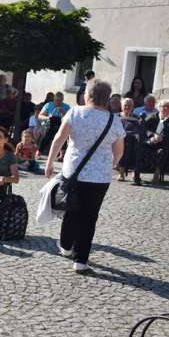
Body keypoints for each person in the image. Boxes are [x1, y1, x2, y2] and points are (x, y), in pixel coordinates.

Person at [45, 79, 126, 273]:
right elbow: (120, 151)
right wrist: (109, 166)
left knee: (70, 209)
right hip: (100, 177)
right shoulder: (114, 120)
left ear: (87, 96)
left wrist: (50, 162)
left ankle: (65, 248)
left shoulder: (75, 112)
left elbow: (59, 139)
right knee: (89, 217)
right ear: (107, 100)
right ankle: (80, 261)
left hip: (73, 172)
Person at [133, 99, 169, 185]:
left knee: (162, 152)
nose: (165, 108)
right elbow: (144, 127)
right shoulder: (152, 116)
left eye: (168, 106)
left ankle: (156, 175)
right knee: (141, 149)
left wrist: (162, 138)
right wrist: (153, 134)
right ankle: (135, 172)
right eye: (163, 106)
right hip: (149, 142)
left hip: (164, 143)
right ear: (159, 108)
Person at [38, 92, 71, 157]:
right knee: (47, 133)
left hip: (60, 126)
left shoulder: (66, 107)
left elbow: (69, 118)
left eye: (60, 101)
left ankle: (62, 154)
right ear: (54, 99)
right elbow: (40, 116)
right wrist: (48, 118)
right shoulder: (48, 105)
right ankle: (39, 152)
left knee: (62, 134)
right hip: (48, 125)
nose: (58, 102)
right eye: (56, 100)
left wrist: (62, 112)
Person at [116, 98, 139, 181]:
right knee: (123, 144)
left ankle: (134, 172)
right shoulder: (116, 116)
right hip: (118, 140)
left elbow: (136, 130)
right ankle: (121, 173)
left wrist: (124, 132)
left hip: (132, 141)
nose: (127, 107)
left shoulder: (136, 117)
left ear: (132, 107)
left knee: (130, 146)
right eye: (125, 105)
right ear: (121, 106)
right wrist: (125, 132)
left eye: (129, 105)